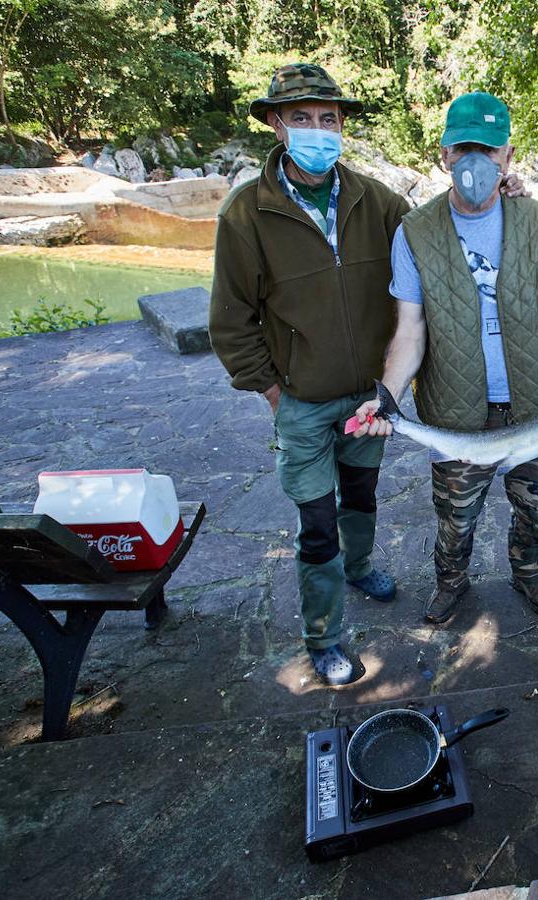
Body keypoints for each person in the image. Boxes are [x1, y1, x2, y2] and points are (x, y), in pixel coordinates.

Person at [352, 91, 538, 625]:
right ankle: (451, 584)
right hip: (454, 411)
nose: (474, 161)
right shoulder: (415, 231)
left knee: (533, 510)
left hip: (529, 404)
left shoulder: (534, 219)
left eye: (488, 150)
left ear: (508, 156)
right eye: (463, 149)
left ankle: (529, 577)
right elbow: (408, 330)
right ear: (444, 156)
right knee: (454, 519)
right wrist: (384, 399)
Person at [208, 63, 408, 687]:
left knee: (361, 497)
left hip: (366, 400)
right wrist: (273, 392)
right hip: (300, 403)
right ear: (275, 125)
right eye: (301, 119)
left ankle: (362, 565)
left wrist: (500, 195)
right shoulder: (248, 214)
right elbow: (231, 320)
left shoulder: (376, 201)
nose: (318, 130)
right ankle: (324, 638)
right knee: (317, 526)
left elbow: (433, 239)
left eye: (328, 119)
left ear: (342, 125)